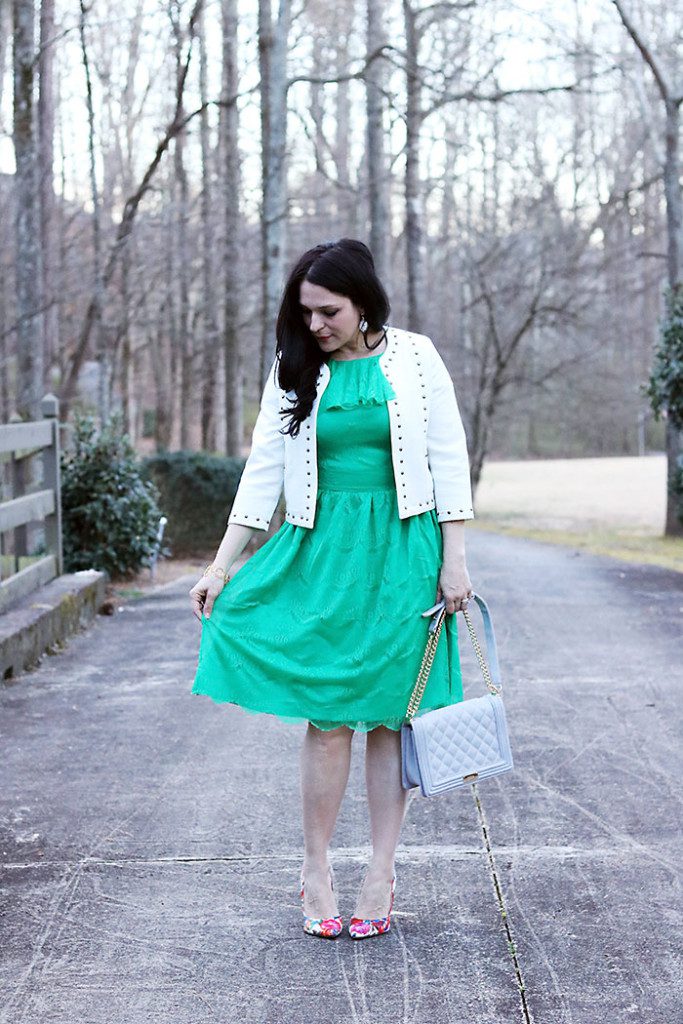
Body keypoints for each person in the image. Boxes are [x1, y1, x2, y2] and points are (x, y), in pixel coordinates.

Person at [189, 238, 474, 940]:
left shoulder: (415, 356)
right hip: (320, 554)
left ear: (363, 301)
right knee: (326, 718)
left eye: (329, 311)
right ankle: (314, 869)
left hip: (403, 553)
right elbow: (263, 468)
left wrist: (455, 559)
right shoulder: (296, 368)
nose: (315, 325)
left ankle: (380, 868)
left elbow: (446, 458)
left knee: (387, 718)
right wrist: (221, 565)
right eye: (305, 312)